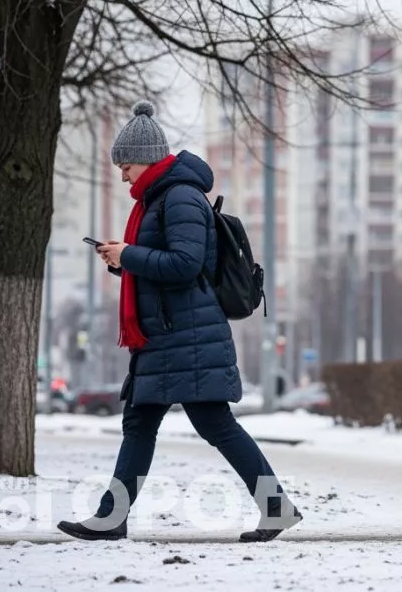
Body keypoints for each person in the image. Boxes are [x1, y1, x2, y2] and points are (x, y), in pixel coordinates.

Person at [56, 101, 302, 543]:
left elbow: (186, 265)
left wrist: (128, 254)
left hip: (186, 336)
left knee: (214, 425)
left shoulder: (180, 195)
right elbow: (166, 267)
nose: (122, 174)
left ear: (147, 158)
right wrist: (121, 260)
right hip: (165, 336)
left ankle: (276, 507)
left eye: (126, 164)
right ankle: (111, 517)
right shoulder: (158, 198)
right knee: (140, 424)